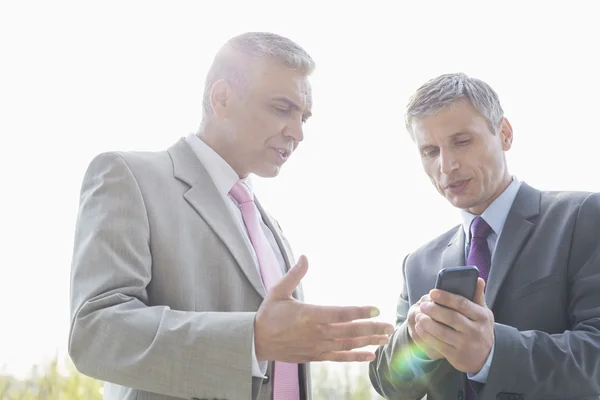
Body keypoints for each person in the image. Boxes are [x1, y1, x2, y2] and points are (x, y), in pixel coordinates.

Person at [68, 31, 394, 400]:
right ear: (222, 98)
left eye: (304, 116)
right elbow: (95, 333)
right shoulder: (128, 176)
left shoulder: (269, 227)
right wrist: (251, 339)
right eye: (282, 108)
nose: (299, 132)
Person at [369, 72, 600, 400]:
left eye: (461, 142)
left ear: (504, 134)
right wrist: (416, 343)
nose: (447, 165)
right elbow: (389, 384)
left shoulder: (584, 217)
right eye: (430, 151)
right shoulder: (418, 264)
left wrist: (492, 353)